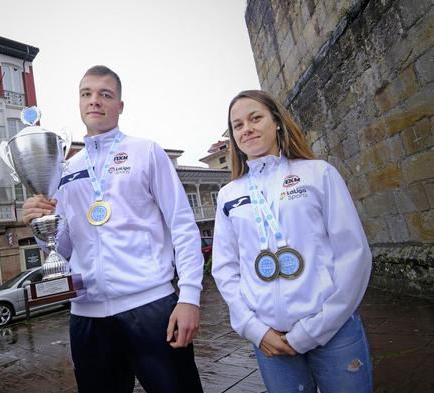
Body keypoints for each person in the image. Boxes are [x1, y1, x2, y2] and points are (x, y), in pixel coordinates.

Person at [22, 65, 204, 393]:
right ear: (79, 103)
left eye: (105, 94)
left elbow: (182, 224)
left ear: (119, 105)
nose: (95, 101)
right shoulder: (63, 170)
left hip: (150, 306)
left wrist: (189, 296)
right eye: (87, 94)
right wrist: (39, 226)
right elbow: (62, 248)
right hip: (86, 317)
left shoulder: (146, 151)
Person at [211, 90, 373, 393]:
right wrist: (253, 328)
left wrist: (313, 330)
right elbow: (225, 268)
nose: (246, 129)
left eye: (255, 118)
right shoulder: (228, 195)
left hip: (333, 329)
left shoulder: (318, 173)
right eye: (237, 125)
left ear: (276, 122)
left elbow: (353, 254)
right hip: (269, 338)